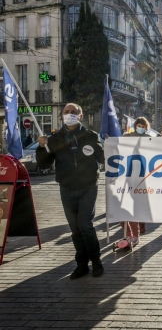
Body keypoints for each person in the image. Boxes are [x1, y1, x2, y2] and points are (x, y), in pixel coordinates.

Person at [36, 103, 104, 279]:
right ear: (62, 116)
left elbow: (103, 158)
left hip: (88, 187)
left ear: (81, 116)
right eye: (67, 112)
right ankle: (82, 264)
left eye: (74, 112)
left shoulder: (90, 136)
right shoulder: (54, 139)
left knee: (85, 225)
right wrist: (41, 147)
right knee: (75, 229)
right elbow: (44, 164)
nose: (70, 114)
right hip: (66, 189)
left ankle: (96, 261)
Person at [119, 117, 152, 247]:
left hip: (142, 177)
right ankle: (127, 234)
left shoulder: (149, 139)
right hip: (126, 176)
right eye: (139, 125)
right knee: (121, 206)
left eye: (143, 126)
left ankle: (136, 234)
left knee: (137, 206)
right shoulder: (127, 137)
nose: (141, 128)